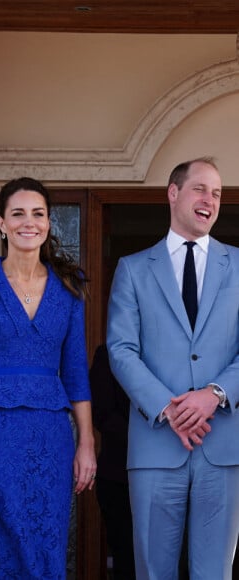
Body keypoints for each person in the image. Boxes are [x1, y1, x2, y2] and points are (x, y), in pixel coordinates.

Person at [0, 176, 96, 579]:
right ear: (1, 222)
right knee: (3, 548)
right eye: (18, 213)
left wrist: (86, 444)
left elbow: (77, 377)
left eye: (38, 213)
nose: (28, 222)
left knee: (48, 548)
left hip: (52, 436)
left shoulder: (69, 287)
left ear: (48, 223)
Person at [107, 157, 239, 580]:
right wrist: (170, 408)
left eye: (217, 193)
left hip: (223, 450)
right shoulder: (132, 269)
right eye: (200, 189)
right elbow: (121, 349)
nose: (210, 200)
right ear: (173, 192)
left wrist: (213, 394)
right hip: (155, 447)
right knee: (152, 572)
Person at [90, 344, 136, 580]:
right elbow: (101, 413)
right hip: (120, 478)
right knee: (127, 564)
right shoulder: (107, 353)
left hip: (175, 475)